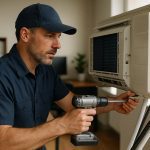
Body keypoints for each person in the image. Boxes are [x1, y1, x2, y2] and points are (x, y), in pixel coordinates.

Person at [0, 3, 139, 150]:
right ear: (25, 35)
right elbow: (2, 141)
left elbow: (74, 104)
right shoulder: (3, 75)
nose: (58, 44)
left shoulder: (47, 72)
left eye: (59, 37)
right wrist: (62, 125)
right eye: (50, 35)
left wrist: (113, 103)